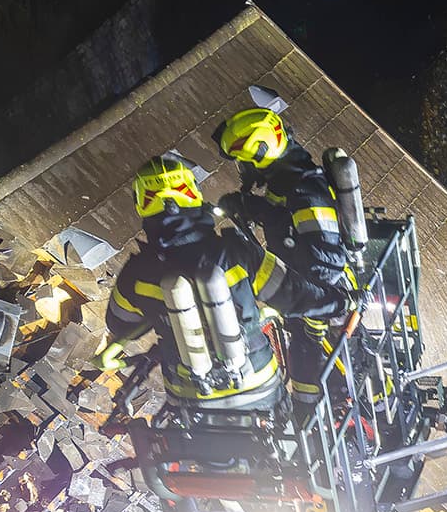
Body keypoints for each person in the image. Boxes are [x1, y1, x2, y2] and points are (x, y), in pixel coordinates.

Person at [98, 153, 347, 412]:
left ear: (142, 204)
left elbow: (119, 322)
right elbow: (294, 295)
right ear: (192, 192)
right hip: (258, 391)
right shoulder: (235, 252)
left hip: (190, 403)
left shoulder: (137, 274)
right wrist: (341, 303)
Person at [215, 107, 358, 407]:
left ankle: (308, 416)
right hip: (311, 291)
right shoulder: (288, 178)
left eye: (245, 160)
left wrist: (309, 308)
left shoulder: (306, 190)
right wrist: (248, 205)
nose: (243, 167)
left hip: (320, 292)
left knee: (304, 358)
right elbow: (280, 216)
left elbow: (326, 258)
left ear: (261, 152)